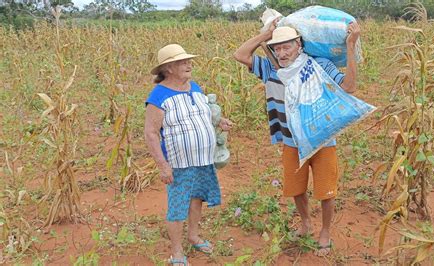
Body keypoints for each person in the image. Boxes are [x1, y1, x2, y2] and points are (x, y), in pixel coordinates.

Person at [233, 21, 360, 256]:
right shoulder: (271, 70)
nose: (281, 53)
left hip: (322, 139)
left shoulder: (320, 65)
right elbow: (240, 55)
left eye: (286, 47)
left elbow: (349, 86)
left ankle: (325, 231)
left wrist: (350, 45)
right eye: (277, 48)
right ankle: (305, 223)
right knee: (296, 188)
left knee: (325, 190)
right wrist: (266, 34)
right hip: (291, 141)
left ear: (299, 45)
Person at [144, 44, 232, 265]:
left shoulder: (194, 87)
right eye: (182, 62)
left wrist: (220, 121)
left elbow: (204, 115)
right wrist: (163, 166)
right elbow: (151, 133)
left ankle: (193, 236)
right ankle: (177, 252)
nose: (188, 64)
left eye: (188, 61)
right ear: (168, 68)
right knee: (177, 205)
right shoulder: (159, 96)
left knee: (197, 198)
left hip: (203, 159)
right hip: (179, 163)